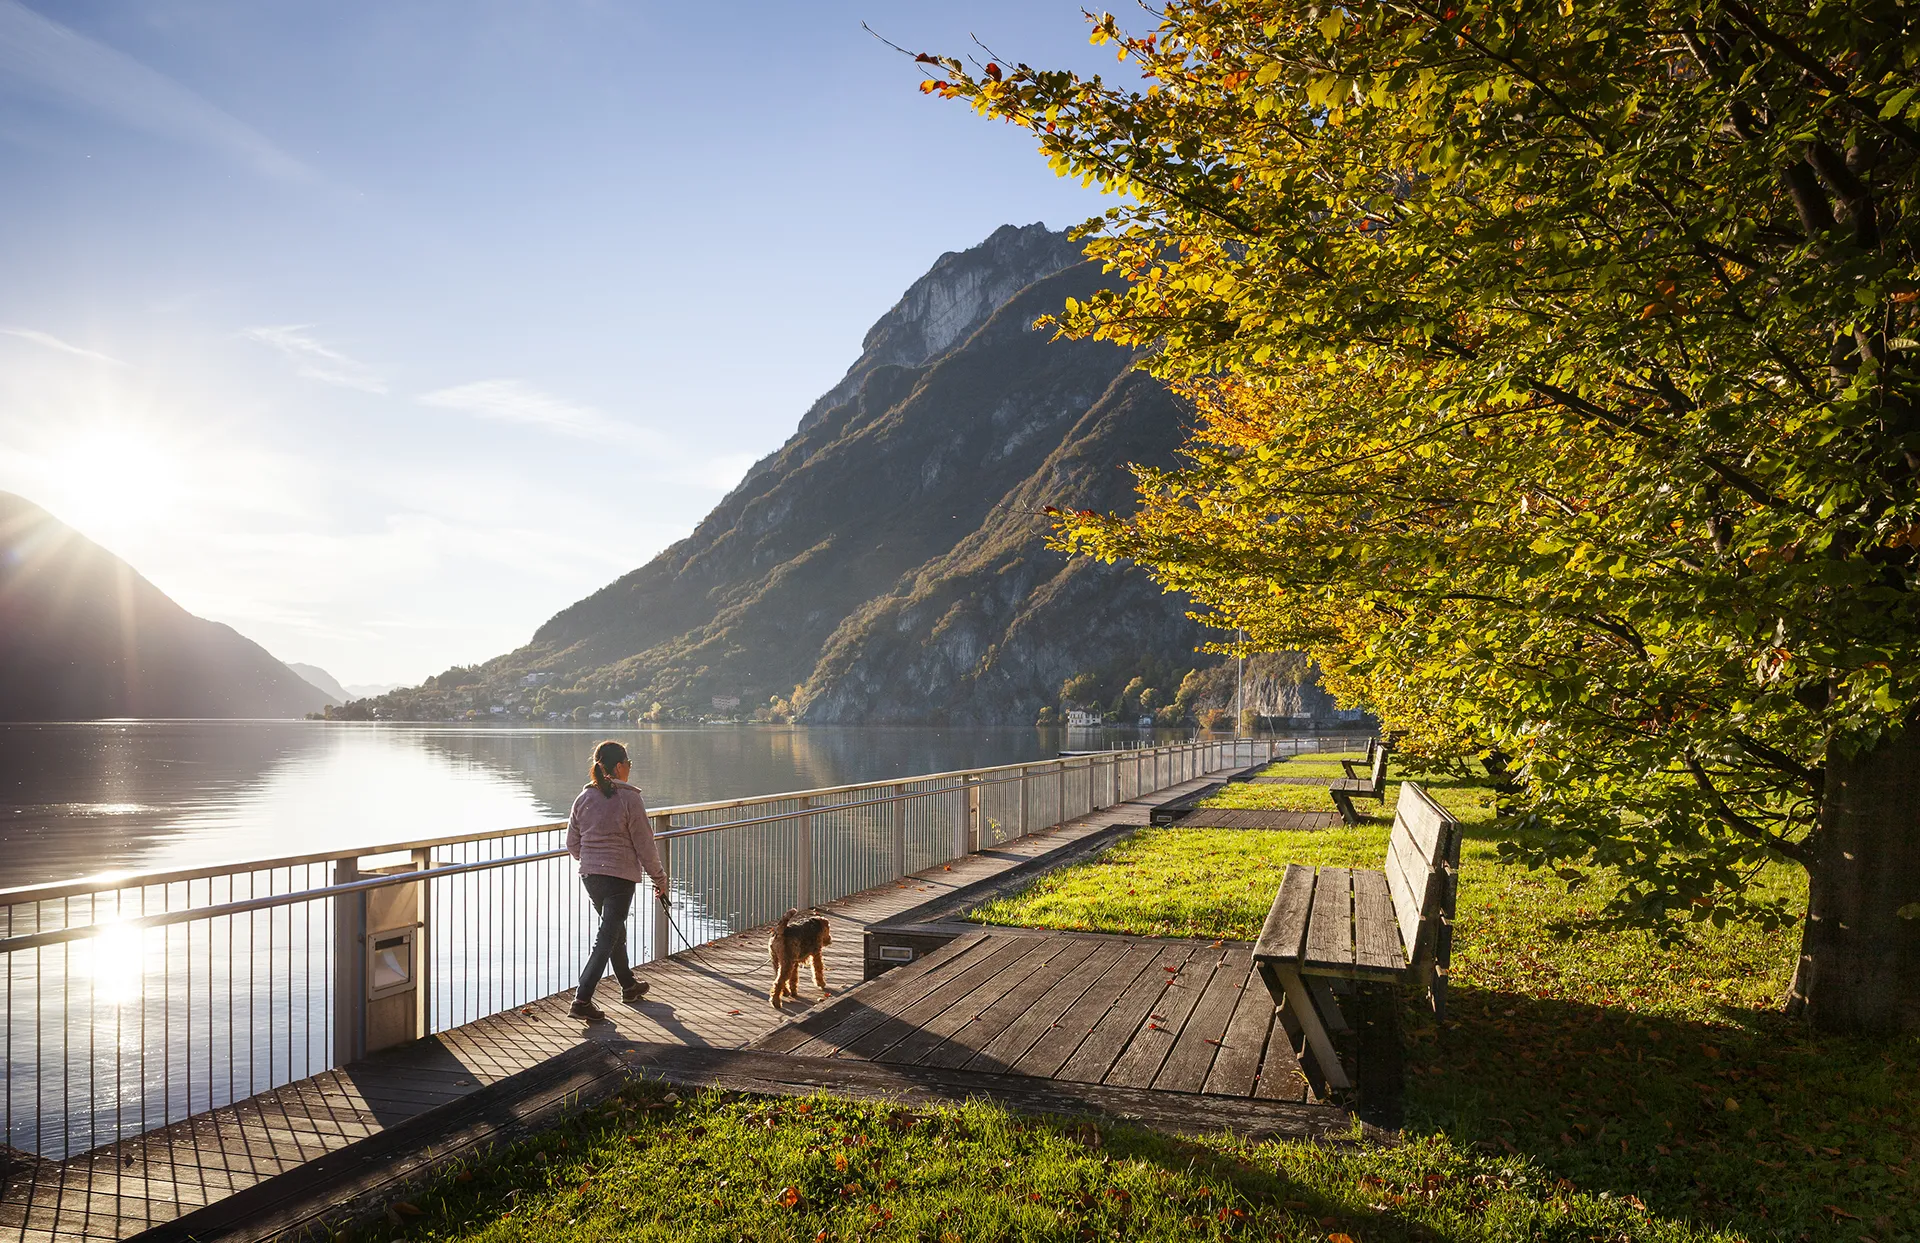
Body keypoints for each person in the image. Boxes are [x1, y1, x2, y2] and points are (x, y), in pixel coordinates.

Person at [564, 739, 669, 1022]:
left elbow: (572, 842)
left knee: (613, 931)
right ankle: (582, 999)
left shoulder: (583, 798)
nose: (630, 769)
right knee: (606, 937)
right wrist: (660, 879)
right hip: (620, 878)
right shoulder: (630, 799)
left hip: (591, 877)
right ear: (620, 766)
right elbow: (645, 845)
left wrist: (591, 860)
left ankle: (628, 986)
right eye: (629, 764)